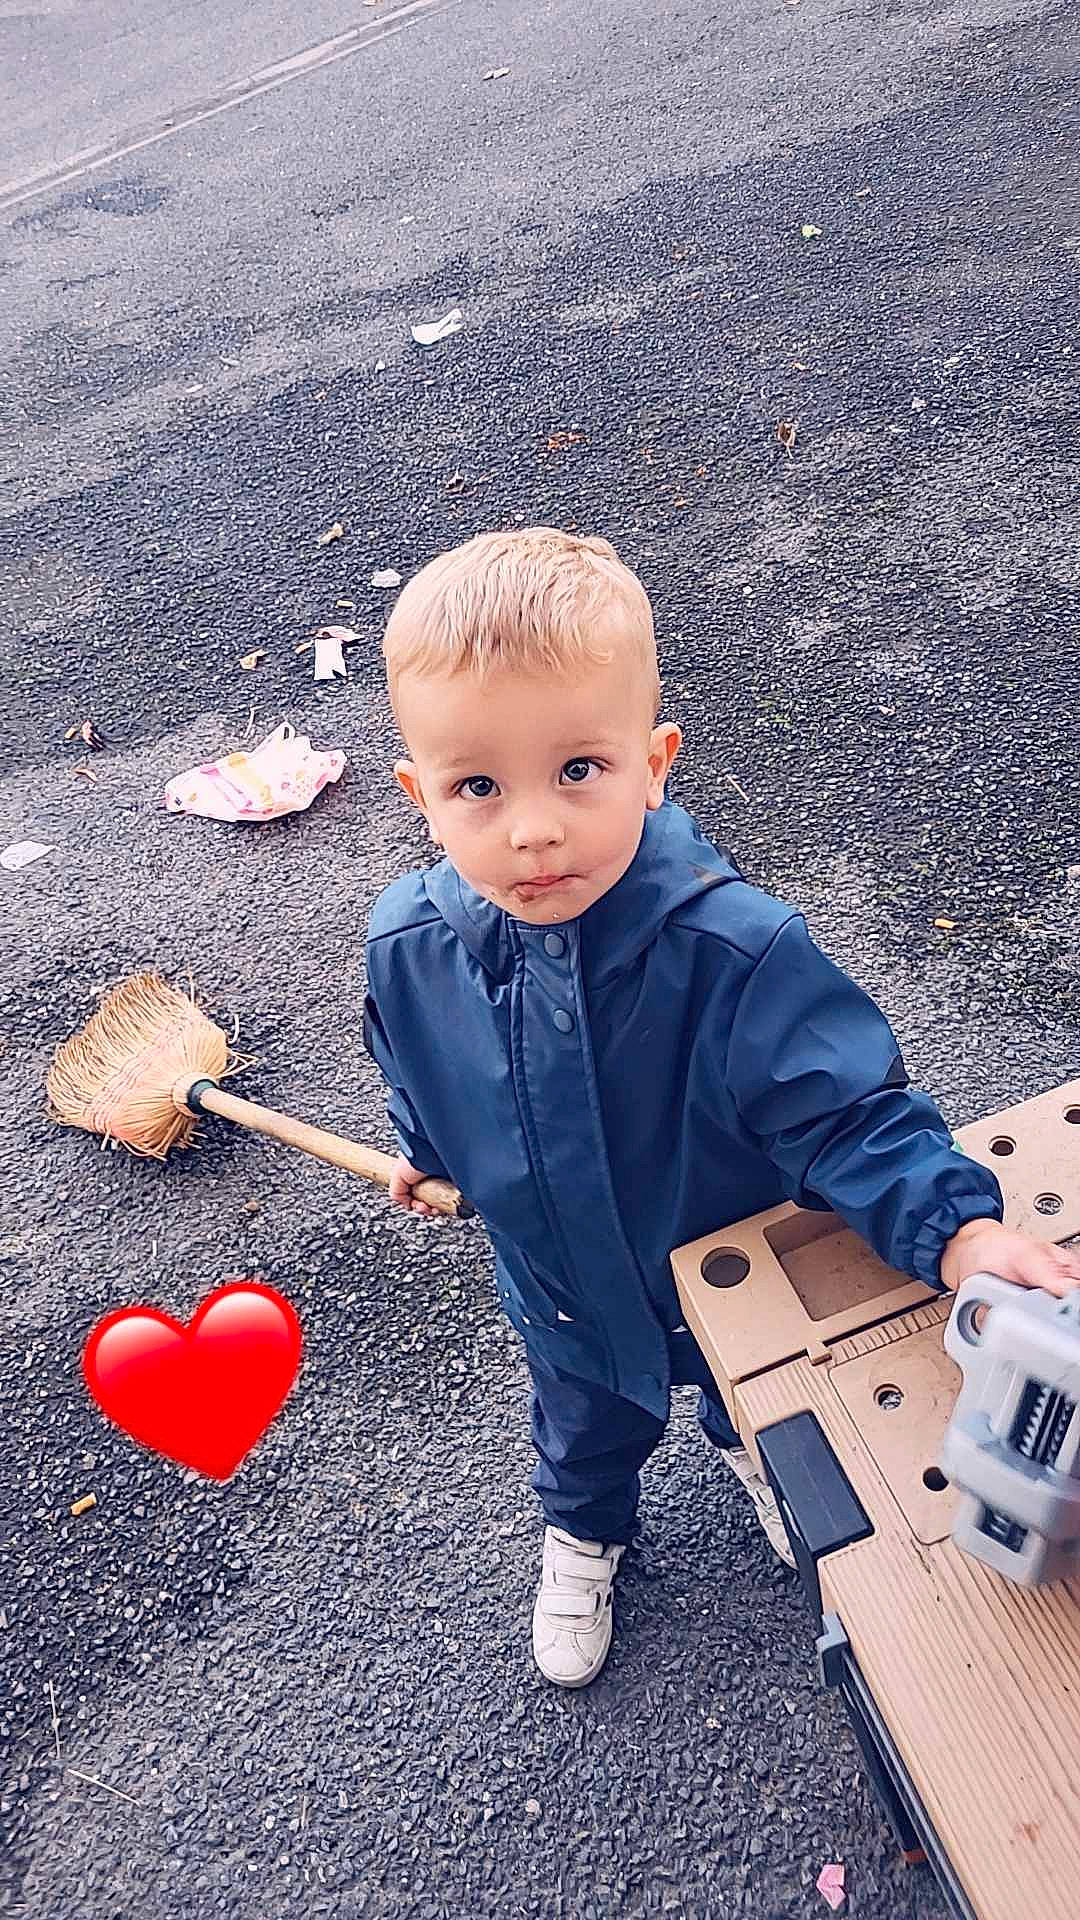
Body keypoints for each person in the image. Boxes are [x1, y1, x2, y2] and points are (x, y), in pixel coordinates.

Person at [362, 526, 1080, 1689]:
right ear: (420, 796)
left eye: (578, 771)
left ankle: (760, 1459)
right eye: (478, 786)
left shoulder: (734, 950)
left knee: (741, 1401)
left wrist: (958, 1226)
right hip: (557, 1287)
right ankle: (587, 1531)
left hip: (720, 1273)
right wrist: (423, 1150)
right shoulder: (408, 944)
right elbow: (418, 1062)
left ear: (656, 762)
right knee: (583, 1427)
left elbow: (847, 1111)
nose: (534, 826)